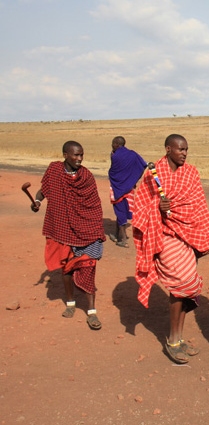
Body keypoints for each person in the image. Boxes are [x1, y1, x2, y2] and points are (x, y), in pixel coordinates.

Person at [133, 134, 209, 364]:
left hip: (188, 236)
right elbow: (140, 206)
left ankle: (178, 339)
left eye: (186, 149)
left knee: (184, 289)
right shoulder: (153, 173)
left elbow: (198, 206)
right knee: (180, 285)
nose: (184, 153)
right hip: (164, 236)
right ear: (168, 149)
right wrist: (157, 206)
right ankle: (172, 340)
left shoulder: (191, 173)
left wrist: (200, 239)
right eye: (180, 149)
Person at [31, 141, 106, 330]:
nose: (80, 159)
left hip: (86, 229)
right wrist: (37, 201)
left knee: (88, 267)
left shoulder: (86, 176)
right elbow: (44, 190)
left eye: (82, 155)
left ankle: (91, 311)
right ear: (65, 155)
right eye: (76, 155)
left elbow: (94, 204)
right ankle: (71, 303)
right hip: (62, 228)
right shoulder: (54, 170)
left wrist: (96, 228)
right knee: (66, 269)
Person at [108, 136, 147, 247]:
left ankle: (123, 239)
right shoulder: (132, 154)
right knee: (122, 210)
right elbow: (143, 165)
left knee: (120, 210)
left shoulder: (114, 155)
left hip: (117, 187)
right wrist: (132, 179)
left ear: (117, 144)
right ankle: (117, 234)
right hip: (129, 188)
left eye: (113, 143)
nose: (112, 145)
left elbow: (114, 171)